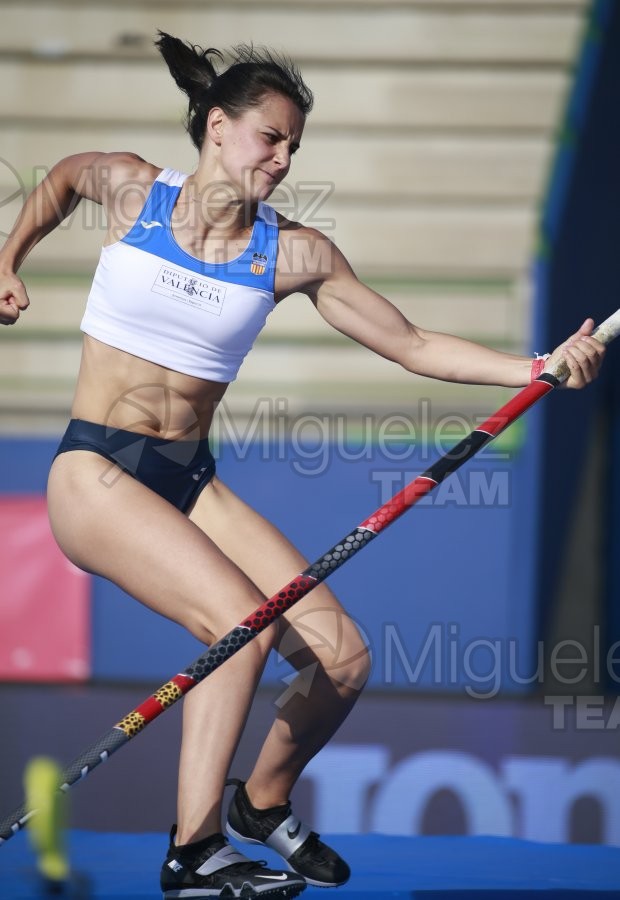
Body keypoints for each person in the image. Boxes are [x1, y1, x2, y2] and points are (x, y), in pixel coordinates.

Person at [0, 31, 606, 900]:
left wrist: (538, 366)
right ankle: (193, 851)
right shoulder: (133, 188)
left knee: (341, 657)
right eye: (269, 139)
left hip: (187, 478)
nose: (281, 161)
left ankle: (261, 803)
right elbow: (58, 178)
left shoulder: (292, 253)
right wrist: (7, 257)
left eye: (293, 148)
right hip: (94, 470)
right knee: (238, 626)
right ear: (216, 126)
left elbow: (414, 343)